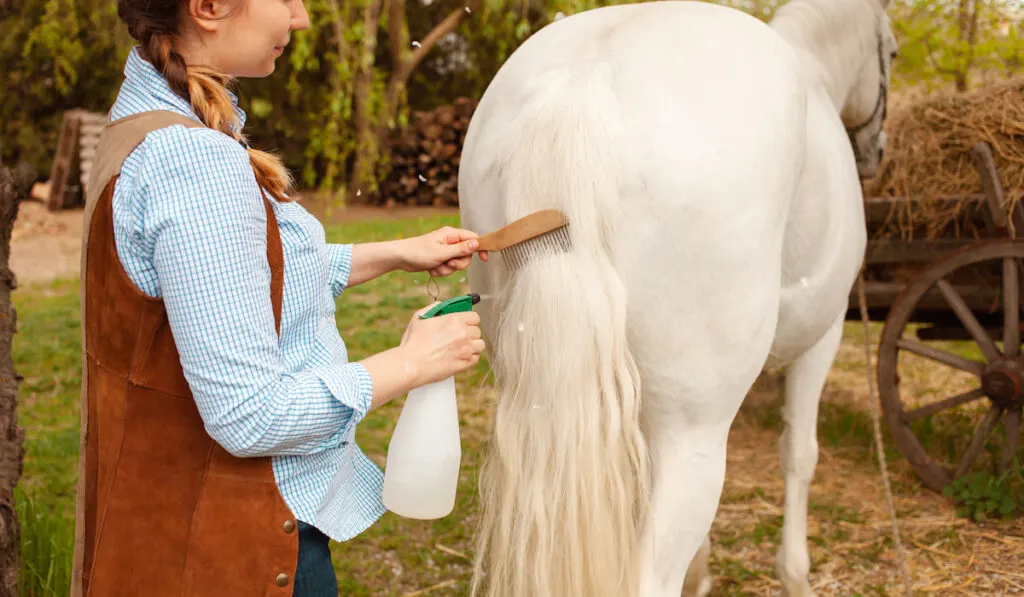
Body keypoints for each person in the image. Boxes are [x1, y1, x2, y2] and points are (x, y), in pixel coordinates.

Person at [70, 0, 488, 595]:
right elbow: (249, 415)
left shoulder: (147, 121)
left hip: (169, 533)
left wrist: (398, 252)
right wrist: (412, 363)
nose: (301, 19)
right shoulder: (194, 161)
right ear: (209, 8)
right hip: (234, 550)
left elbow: (231, 279)